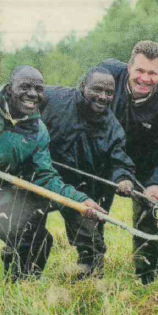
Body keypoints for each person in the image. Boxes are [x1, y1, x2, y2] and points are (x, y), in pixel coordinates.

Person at [0, 66, 105, 282]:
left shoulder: (38, 131)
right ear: (9, 90)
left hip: (5, 193)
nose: (32, 94)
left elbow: (46, 177)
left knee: (35, 236)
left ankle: (19, 287)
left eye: (38, 89)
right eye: (25, 87)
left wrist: (80, 200)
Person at [39, 66, 136, 278]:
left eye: (109, 93)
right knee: (26, 232)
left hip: (80, 193)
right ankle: (22, 281)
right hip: (42, 180)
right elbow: (16, 95)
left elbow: (120, 160)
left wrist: (123, 179)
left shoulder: (113, 127)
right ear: (83, 87)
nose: (103, 97)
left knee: (92, 244)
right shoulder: (54, 98)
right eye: (97, 90)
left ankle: (89, 287)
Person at [99, 41, 158, 284]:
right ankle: (91, 274)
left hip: (141, 165)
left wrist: (156, 185)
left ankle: (147, 279)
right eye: (140, 71)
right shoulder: (105, 76)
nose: (145, 78)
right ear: (129, 68)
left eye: (152, 73)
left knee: (147, 216)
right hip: (102, 157)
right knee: (94, 212)